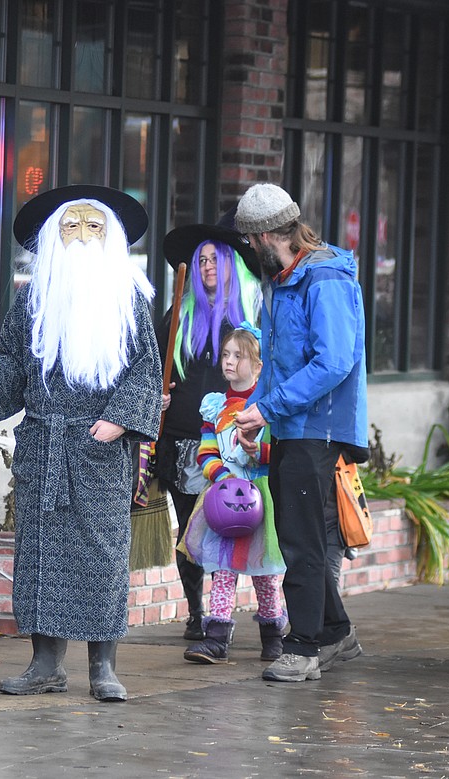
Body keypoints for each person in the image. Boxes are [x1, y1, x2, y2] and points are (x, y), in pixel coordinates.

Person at [0, 184, 163, 702]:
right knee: (41, 556)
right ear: (53, 236)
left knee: (101, 555)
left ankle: (103, 668)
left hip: (98, 448)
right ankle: (45, 665)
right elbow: (10, 363)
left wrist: (118, 422)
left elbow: (146, 369)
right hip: (44, 445)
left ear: (109, 237)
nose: (79, 236)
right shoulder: (32, 301)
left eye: (92, 226)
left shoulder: (130, 301)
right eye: (69, 226)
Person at [231, 182, 367, 683]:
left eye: (249, 242)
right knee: (300, 535)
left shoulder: (322, 278)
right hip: (296, 425)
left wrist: (268, 410)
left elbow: (333, 361)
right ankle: (335, 633)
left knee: (301, 540)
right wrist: (259, 418)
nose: (250, 252)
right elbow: (278, 362)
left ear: (267, 235)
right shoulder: (289, 279)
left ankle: (303, 646)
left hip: (317, 427)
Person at [157, 222, 261, 641]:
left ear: (231, 265)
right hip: (181, 440)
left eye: (213, 259)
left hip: (229, 442)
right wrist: (155, 396)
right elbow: (154, 368)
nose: (205, 267)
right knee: (189, 532)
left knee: (226, 529)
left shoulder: (248, 320)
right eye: (200, 260)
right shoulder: (179, 315)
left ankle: (237, 616)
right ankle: (197, 614)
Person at [179, 324, 287, 664]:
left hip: (261, 498)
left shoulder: (270, 405)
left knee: (265, 574)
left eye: (238, 356)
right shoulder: (215, 406)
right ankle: (216, 637)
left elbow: (278, 451)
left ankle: (273, 636)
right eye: (226, 355)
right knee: (223, 569)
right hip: (224, 499)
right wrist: (222, 477)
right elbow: (206, 452)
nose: (229, 361)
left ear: (258, 365)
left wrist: (259, 454)